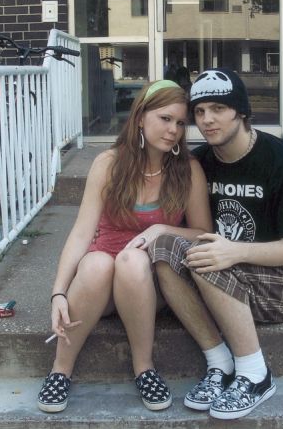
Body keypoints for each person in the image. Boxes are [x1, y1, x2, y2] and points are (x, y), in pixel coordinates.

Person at [149, 68, 283, 420]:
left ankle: (255, 374)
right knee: (165, 249)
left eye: (218, 109)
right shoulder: (201, 163)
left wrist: (236, 250)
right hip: (227, 272)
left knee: (209, 256)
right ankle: (220, 364)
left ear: (241, 111)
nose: (207, 120)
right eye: (199, 111)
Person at [37, 80, 212, 413]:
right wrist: (59, 292)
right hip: (98, 287)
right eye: (165, 118)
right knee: (98, 262)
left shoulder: (187, 170)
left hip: (148, 287)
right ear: (140, 118)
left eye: (179, 122)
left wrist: (162, 228)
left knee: (132, 260)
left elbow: (203, 232)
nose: (173, 129)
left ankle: (144, 368)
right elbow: (80, 233)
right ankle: (60, 370)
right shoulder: (109, 163)